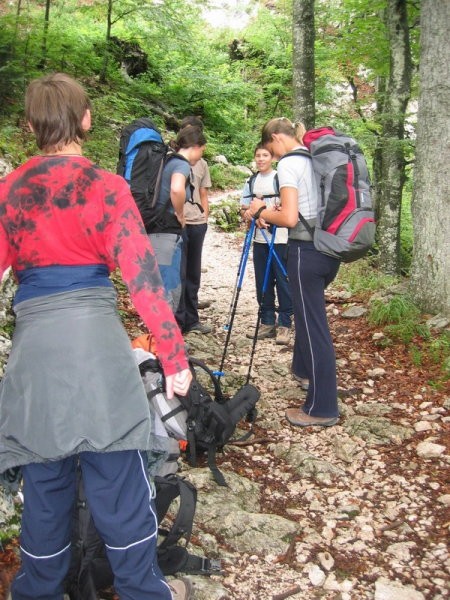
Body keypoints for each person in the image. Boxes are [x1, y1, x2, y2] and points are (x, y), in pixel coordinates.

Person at [0, 73, 193, 600]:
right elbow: (144, 281)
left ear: (32, 124)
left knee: (44, 487)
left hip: (36, 351)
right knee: (119, 482)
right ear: (85, 120)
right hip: (97, 350)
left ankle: (38, 590)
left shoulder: (9, 191)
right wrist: (173, 359)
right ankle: (141, 592)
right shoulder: (106, 188)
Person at [248, 117, 340, 427]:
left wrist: (259, 210)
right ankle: (303, 372)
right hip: (329, 248)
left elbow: (288, 217)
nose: (270, 153)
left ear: (275, 137)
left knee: (314, 327)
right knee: (305, 313)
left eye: (269, 147)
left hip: (306, 251)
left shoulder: (289, 164)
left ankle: (322, 406)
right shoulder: (314, 156)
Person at [148, 125, 206, 315]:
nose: (200, 157)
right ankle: (167, 339)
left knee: (161, 284)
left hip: (155, 229)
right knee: (169, 286)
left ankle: (161, 337)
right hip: (167, 231)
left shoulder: (167, 160)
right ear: (196, 146)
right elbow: (176, 188)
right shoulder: (181, 164)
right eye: (202, 151)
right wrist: (180, 213)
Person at [240, 143, 292, 345]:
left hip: (280, 238)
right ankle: (267, 321)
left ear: (272, 157)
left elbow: (289, 207)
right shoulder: (251, 181)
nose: (261, 159)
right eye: (258, 155)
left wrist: (270, 214)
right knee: (263, 280)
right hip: (259, 238)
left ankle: (285, 324)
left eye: (265, 155)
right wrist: (253, 217)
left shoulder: (281, 178)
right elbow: (244, 208)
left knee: (283, 281)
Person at [175, 116, 212, 334]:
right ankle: (178, 320)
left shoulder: (202, 164)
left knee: (193, 273)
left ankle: (192, 319)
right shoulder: (173, 161)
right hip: (179, 223)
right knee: (178, 273)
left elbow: (203, 192)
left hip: (197, 222)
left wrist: (205, 216)